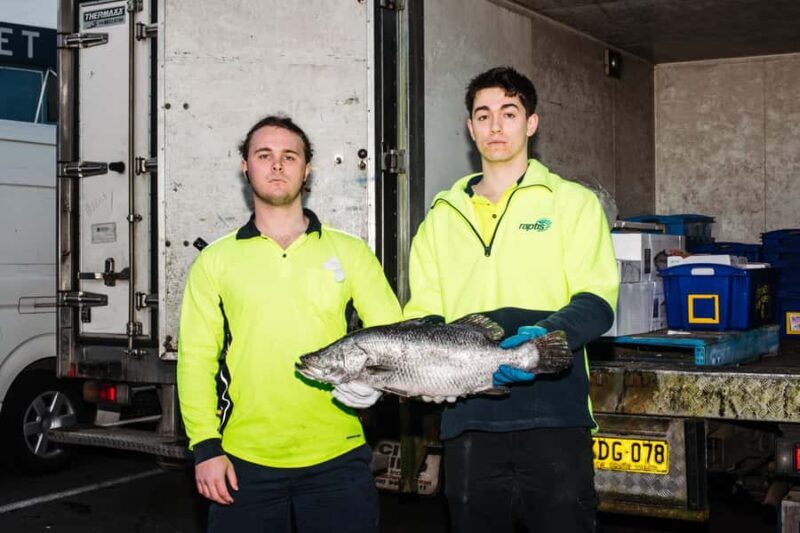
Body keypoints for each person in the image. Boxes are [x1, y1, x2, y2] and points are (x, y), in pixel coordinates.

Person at [406, 67, 618, 531]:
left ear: (531, 123)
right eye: (483, 115)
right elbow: (424, 314)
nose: (496, 126)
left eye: (509, 112)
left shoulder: (571, 203)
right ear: (470, 128)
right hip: (469, 422)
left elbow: (599, 299)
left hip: (554, 418)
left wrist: (543, 339)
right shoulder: (441, 218)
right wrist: (419, 370)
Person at [177, 115, 402, 532]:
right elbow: (195, 359)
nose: (277, 165)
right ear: (246, 167)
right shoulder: (216, 261)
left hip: (339, 455)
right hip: (243, 459)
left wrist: (373, 383)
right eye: (264, 155)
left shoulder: (350, 252)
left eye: (289, 156)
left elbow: (394, 337)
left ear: (307, 169)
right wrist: (205, 447)